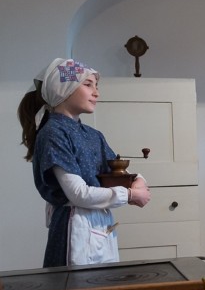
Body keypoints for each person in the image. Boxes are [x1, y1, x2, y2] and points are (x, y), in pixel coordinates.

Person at [17, 58, 151, 268]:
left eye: (96, 86)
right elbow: (78, 194)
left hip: (101, 224)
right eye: (88, 85)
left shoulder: (93, 135)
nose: (96, 93)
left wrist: (138, 180)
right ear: (63, 89)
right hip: (74, 225)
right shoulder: (53, 133)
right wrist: (130, 194)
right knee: (76, 287)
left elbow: (118, 171)